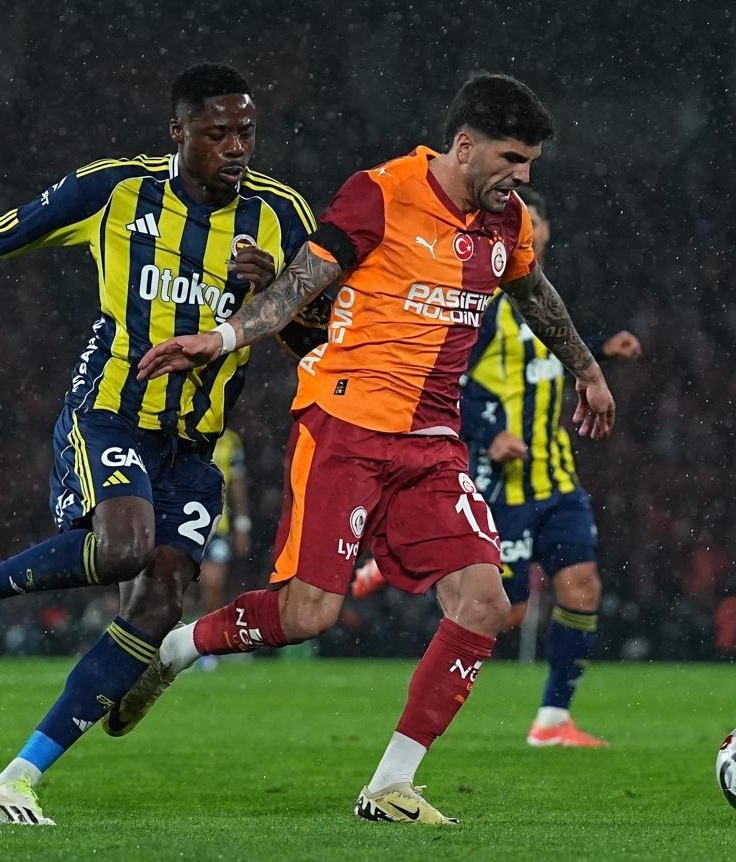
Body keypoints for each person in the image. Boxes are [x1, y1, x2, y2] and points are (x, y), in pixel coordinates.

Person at [0, 64, 318, 827]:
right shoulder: (115, 191)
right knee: (123, 548)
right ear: (178, 133)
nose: (236, 148)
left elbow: (319, 341)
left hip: (196, 445)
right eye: (217, 134)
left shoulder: (281, 214)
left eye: (246, 132)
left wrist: (278, 291)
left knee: (159, 604)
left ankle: (14, 780)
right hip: (109, 414)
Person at [126, 72, 616, 824]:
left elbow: (534, 294)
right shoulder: (381, 193)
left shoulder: (508, 223)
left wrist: (587, 371)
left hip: (433, 444)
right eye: (512, 159)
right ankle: (182, 646)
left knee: (485, 602)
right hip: (345, 429)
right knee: (308, 616)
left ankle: (390, 784)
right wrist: (218, 339)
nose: (522, 178)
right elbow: (297, 287)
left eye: (530, 164)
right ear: (464, 146)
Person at [353, 188, 641, 747]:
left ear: (545, 231)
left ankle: (553, 720)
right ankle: (405, 555)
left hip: (556, 477)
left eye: (536, 220)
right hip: (500, 483)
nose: (529, 228)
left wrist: (602, 349)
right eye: (519, 219)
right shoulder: (480, 304)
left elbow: (549, 354)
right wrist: (490, 435)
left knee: (582, 587)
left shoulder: (544, 302)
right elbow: (446, 380)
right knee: (505, 610)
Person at [198, 428, 251, 614]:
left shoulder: (230, 440)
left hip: (218, 524)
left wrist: (242, 525)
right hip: (182, 520)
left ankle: (204, 628)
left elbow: (237, 484)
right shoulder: (180, 430)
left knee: (214, 582)